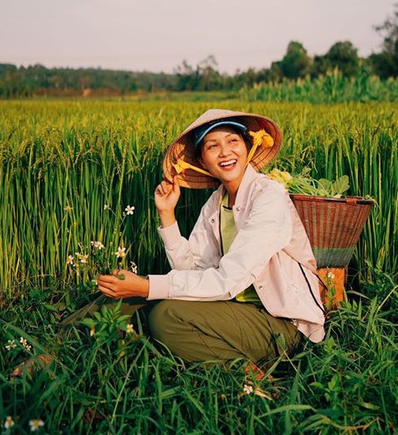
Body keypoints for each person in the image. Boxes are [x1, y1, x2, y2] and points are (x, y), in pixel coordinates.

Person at [95, 108, 325, 365]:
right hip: (235, 311)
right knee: (125, 301)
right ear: (203, 162)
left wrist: (149, 285)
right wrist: (167, 215)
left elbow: (228, 280)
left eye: (233, 141)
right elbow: (192, 269)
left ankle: (245, 376)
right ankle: (55, 350)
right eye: (212, 146)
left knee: (165, 316)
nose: (225, 152)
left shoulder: (269, 197)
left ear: (248, 148)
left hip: (282, 324)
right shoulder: (216, 204)